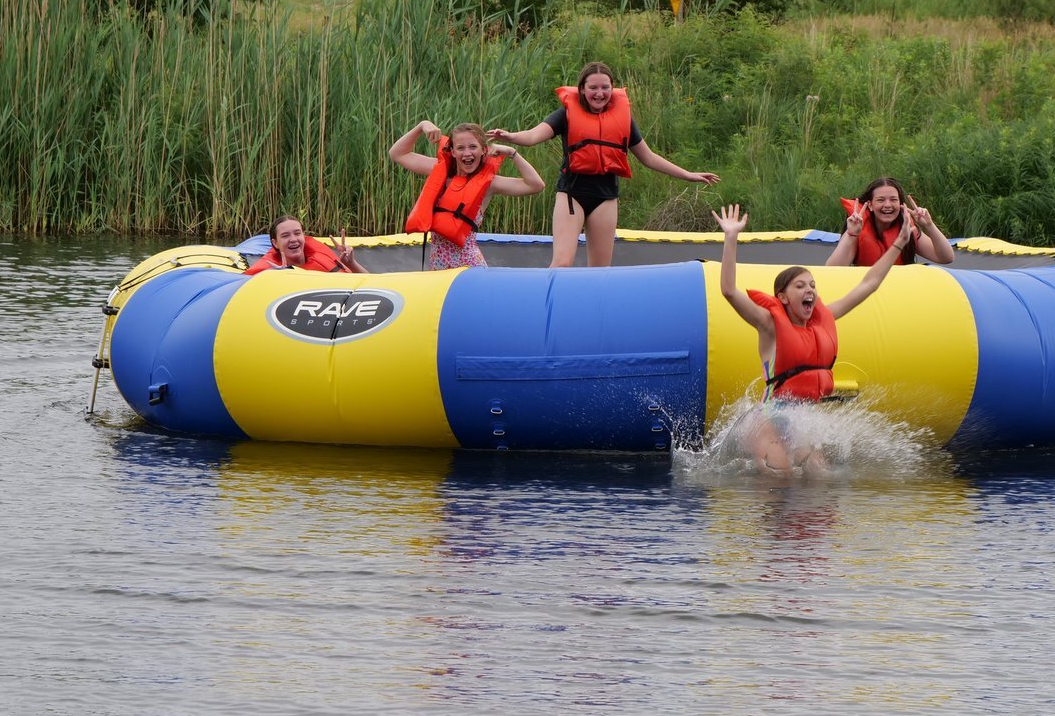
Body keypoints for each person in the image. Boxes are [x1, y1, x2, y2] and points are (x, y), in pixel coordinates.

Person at [711, 202, 911, 474]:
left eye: (813, 285)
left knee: (819, 473)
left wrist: (898, 245)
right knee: (779, 474)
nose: (810, 290)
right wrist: (731, 237)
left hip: (800, 419)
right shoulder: (768, 324)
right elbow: (729, 291)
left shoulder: (823, 318)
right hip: (767, 419)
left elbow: (868, 284)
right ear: (782, 297)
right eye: (800, 285)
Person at [488, 61, 720, 268]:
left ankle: (591, 315)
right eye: (593, 88)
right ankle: (547, 312)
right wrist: (510, 136)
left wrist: (688, 175)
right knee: (562, 263)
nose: (599, 93)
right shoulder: (566, 114)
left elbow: (648, 158)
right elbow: (532, 136)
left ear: (612, 88)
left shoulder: (623, 120)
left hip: (605, 197)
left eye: (605, 87)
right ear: (582, 89)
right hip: (572, 195)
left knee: (600, 271)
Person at [389, 120, 546, 269]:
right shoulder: (437, 170)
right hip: (438, 265)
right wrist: (421, 126)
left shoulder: (490, 184)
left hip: (469, 267)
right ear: (452, 152)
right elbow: (397, 154)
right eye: (461, 148)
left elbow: (536, 185)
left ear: (484, 150)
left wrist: (512, 153)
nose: (467, 153)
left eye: (473, 147)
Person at [826, 175, 955, 267]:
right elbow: (831, 270)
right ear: (870, 205)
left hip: (899, 293)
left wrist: (929, 226)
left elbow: (946, 257)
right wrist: (851, 234)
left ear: (900, 204)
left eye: (893, 200)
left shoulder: (907, 230)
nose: (887, 205)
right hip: (868, 295)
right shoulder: (856, 231)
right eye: (881, 200)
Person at [246, 216, 367, 274]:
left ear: (304, 236)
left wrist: (351, 263)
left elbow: (369, 283)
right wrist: (281, 278)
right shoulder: (269, 274)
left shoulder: (321, 258)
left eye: (297, 233)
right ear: (275, 243)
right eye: (285, 236)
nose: (293, 239)